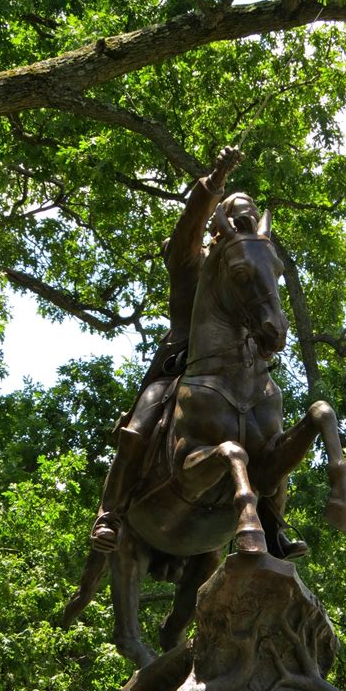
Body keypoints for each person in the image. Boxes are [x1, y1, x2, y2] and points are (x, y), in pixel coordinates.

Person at [91, 146, 307, 560]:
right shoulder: (192, 257)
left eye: (250, 215)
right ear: (218, 224)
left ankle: (274, 526)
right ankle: (110, 513)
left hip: (244, 371)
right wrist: (215, 180)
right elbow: (190, 225)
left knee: (274, 434)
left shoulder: (250, 259)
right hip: (184, 366)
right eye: (237, 214)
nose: (245, 221)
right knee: (141, 421)